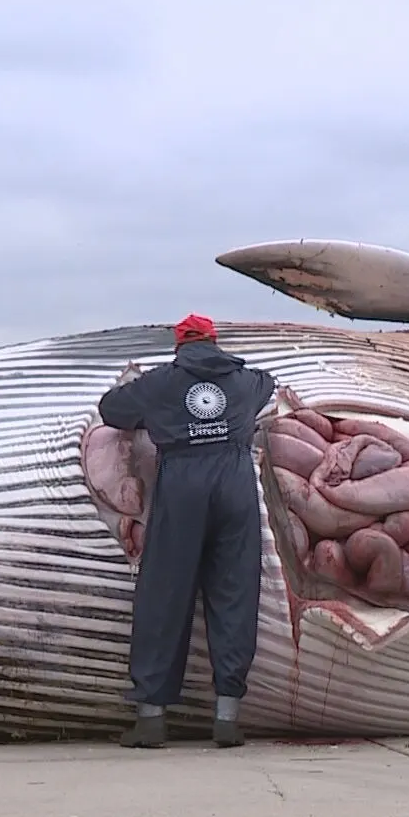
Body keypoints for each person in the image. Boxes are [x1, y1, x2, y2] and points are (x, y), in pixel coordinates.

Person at [96, 313, 276, 749]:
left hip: (181, 482)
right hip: (233, 483)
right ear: (215, 342)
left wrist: (161, 414)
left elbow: (111, 409)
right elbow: (268, 384)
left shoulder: (161, 383)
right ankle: (227, 717)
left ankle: (152, 718)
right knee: (234, 592)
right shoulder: (246, 381)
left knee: (165, 594)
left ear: (179, 345)